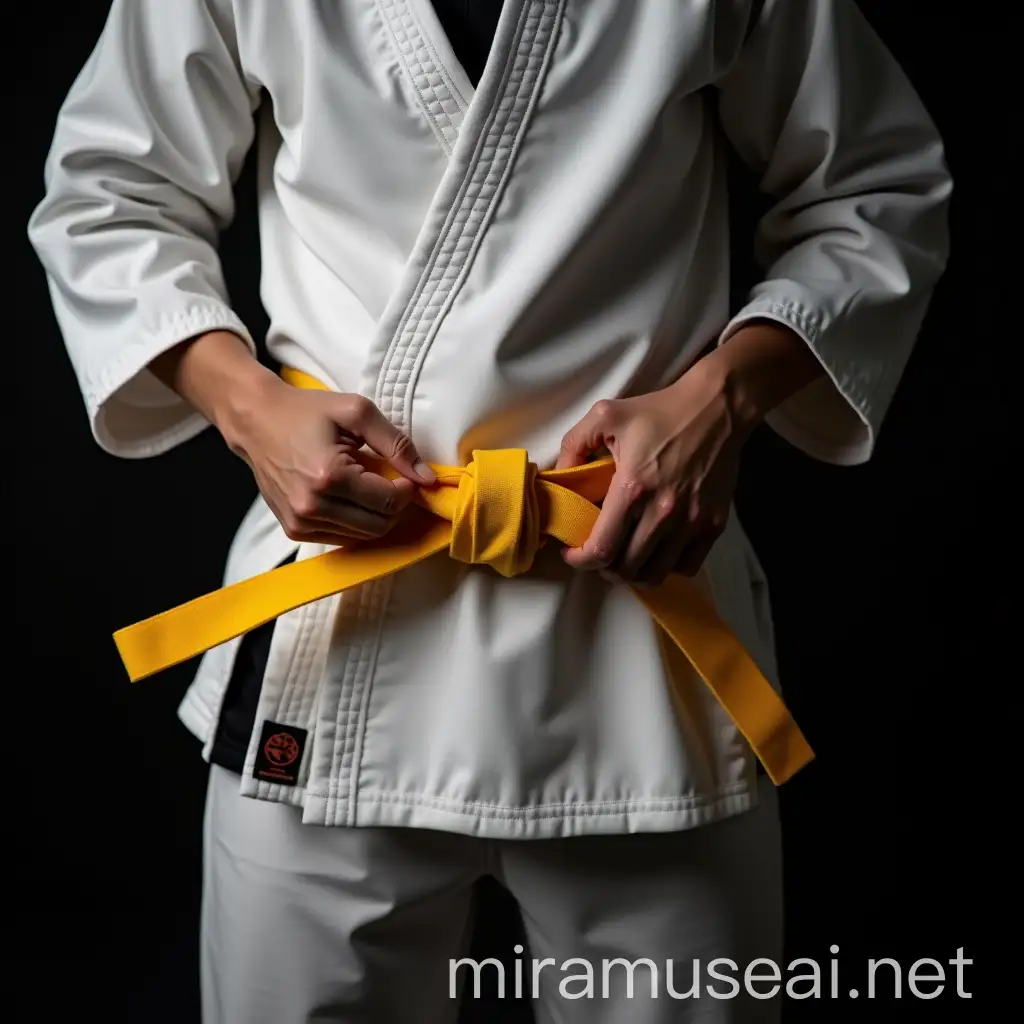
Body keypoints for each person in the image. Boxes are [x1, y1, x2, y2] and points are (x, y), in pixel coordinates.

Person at [28, 1, 951, 1021]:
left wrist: (722, 399)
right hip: (335, 643)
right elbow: (110, 196)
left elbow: (875, 188)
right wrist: (249, 409)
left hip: (639, 638)